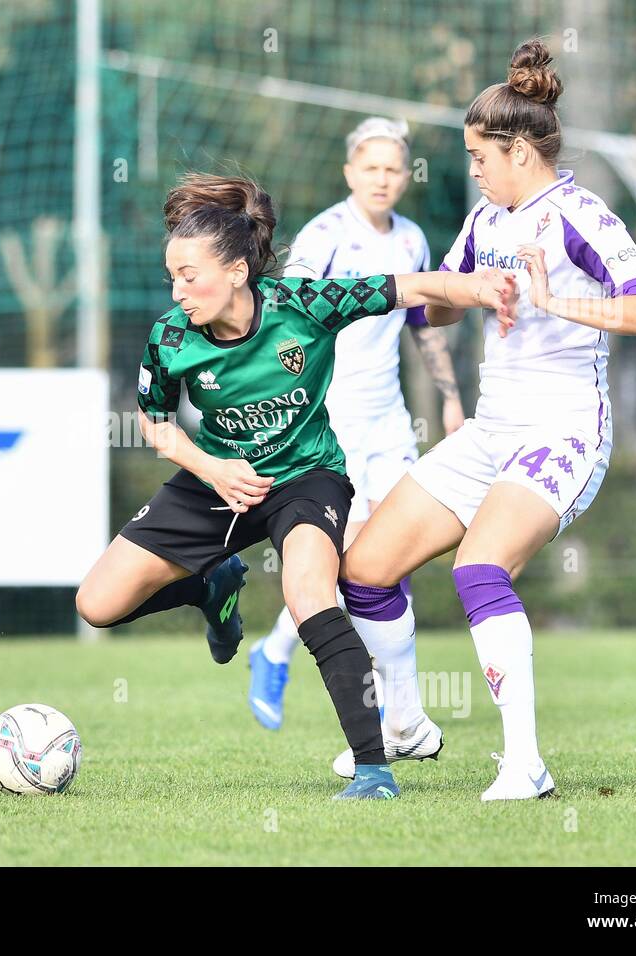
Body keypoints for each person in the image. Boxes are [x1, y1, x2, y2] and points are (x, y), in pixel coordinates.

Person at [74, 171, 516, 800]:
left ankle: (373, 769)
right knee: (96, 604)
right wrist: (212, 468)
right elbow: (153, 421)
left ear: (236, 272)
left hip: (306, 479)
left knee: (309, 592)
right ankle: (211, 587)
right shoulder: (170, 337)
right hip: (216, 480)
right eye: (171, 275)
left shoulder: (302, 305)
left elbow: (408, 287)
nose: (177, 290)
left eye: (189, 275)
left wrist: (475, 287)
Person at [335, 39, 636, 799]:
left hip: (564, 432)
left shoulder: (581, 214)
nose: (473, 168)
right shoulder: (486, 217)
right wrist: (473, 291)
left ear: (519, 150)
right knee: (367, 569)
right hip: (490, 432)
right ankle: (407, 723)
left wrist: (554, 300)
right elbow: (437, 307)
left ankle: (526, 765)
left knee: (479, 568)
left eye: (480, 154)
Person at [247, 116, 464, 736]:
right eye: (370, 167)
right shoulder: (324, 236)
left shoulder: (414, 240)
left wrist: (449, 399)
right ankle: (286, 656)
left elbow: (422, 324)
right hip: (330, 420)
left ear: (405, 176)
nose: (383, 178)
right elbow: (284, 314)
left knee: (385, 561)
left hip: (390, 420)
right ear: (349, 173)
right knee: (355, 560)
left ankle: (394, 713)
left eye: (393, 168)